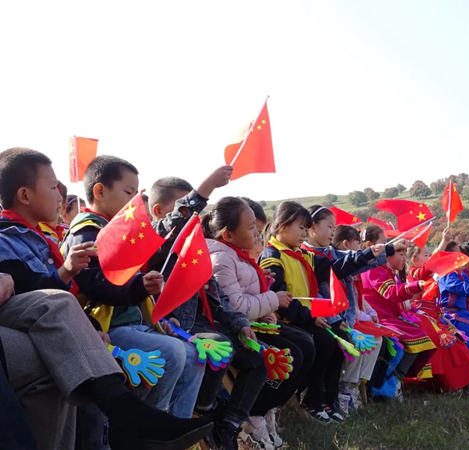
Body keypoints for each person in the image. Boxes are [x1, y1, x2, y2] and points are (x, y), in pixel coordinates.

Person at [0, 147, 212, 450]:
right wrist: (67, 277)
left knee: (55, 380)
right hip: (37, 327)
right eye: (53, 187)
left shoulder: (41, 239)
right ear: (24, 195)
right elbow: (38, 294)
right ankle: (134, 418)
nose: (60, 195)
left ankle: (147, 424)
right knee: (170, 353)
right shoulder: (18, 237)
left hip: (64, 328)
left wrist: (89, 327)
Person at [61, 155, 205, 419]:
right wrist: (140, 285)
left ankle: (176, 422)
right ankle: (147, 424)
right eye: (129, 192)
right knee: (171, 353)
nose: (135, 202)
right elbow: (95, 284)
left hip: (136, 324)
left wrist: (157, 313)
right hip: (105, 329)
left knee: (195, 354)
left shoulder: (119, 231)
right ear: (100, 191)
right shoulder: (87, 231)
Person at [149, 173, 267, 450]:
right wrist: (207, 188)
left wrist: (240, 323)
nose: (191, 219)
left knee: (257, 356)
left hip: (202, 325)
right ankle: (206, 408)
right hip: (174, 328)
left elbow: (217, 297)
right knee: (219, 345)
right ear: (160, 212)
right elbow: (177, 221)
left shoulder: (195, 251)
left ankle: (229, 424)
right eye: (183, 210)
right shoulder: (156, 250)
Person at [201, 196, 315, 449]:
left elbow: (242, 295)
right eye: (252, 227)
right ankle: (252, 415)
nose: (258, 234)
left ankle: (264, 410)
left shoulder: (235, 255)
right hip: (234, 328)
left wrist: (264, 295)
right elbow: (234, 306)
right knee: (291, 354)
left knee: (306, 343)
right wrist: (272, 299)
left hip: (252, 322)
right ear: (228, 234)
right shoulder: (221, 258)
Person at [259, 201, 382, 423]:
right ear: (282, 225)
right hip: (284, 320)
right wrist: (310, 317)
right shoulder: (272, 256)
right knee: (323, 341)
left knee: (339, 338)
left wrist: (367, 255)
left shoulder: (301, 255)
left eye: (306, 229)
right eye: (301, 228)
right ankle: (311, 399)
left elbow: (335, 268)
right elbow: (279, 298)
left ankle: (329, 398)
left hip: (304, 318)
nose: (304, 233)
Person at [406, 237, 469, 392]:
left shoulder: (441, 275)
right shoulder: (416, 274)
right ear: (414, 260)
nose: (460, 257)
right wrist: (443, 241)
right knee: (450, 341)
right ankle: (460, 382)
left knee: (456, 340)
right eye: (426, 255)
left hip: (436, 316)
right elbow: (465, 290)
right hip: (425, 316)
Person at [359, 225, 437, 400]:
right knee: (415, 338)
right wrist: (415, 286)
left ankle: (394, 382)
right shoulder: (374, 269)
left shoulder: (386, 269)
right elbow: (391, 293)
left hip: (392, 317)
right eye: (384, 243)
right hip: (381, 318)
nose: (403, 257)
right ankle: (386, 387)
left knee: (423, 335)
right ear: (370, 245)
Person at [330, 225, 384, 411]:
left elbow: (359, 297)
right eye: (357, 243)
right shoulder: (340, 265)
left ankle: (356, 383)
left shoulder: (352, 265)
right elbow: (345, 299)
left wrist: (371, 312)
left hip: (356, 317)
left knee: (377, 338)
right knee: (363, 339)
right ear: (346, 244)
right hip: (343, 318)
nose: (359, 247)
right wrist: (363, 314)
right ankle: (346, 384)